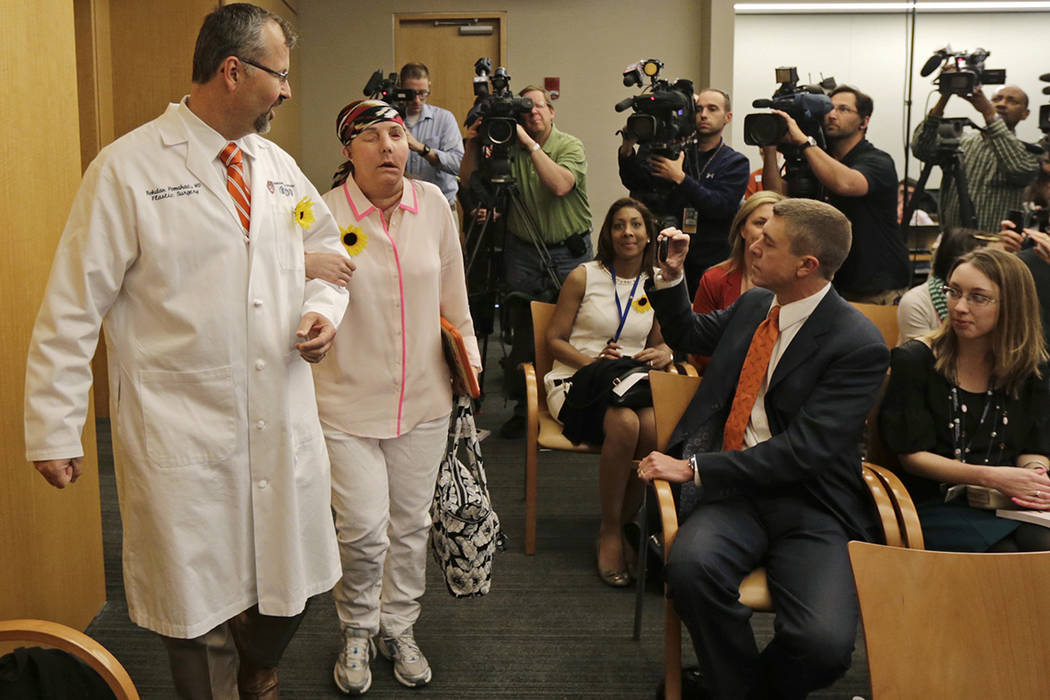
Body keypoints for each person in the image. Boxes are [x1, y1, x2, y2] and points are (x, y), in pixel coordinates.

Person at [23, 4, 350, 698]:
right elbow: (73, 305)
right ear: (233, 72)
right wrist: (54, 425)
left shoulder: (279, 170)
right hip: (182, 427)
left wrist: (323, 311)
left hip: (279, 417)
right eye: (280, 75)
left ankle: (260, 664)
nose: (287, 90)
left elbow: (324, 247)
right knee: (196, 615)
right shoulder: (128, 169)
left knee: (287, 591)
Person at [637, 198, 889, 699]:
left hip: (811, 504)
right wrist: (672, 276)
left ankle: (732, 688)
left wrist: (696, 468)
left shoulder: (858, 342)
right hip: (735, 497)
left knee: (822, 645)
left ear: (806, 266)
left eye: (768, 242)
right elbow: (689, 334)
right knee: (689, 570)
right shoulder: (757, 305)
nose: (751, 245)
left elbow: (804, 453)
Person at [314, 99, 480, 695]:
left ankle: (399, 627)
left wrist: (470, 362)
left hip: (425, 400)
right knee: (362, 529)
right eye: (372, 137)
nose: (388, 147)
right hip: (345, 402)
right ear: (348, 150)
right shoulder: (322, 213)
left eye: (396, 135)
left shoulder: (433, 204)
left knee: (410, 526)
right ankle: (357, 629)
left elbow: (455, 295)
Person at [879, 248, 1050, 553]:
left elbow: (1033, 446)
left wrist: (1034, 477)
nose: (959, 307)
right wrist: (993, 477)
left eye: (977, 297)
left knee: (1041, 542)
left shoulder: (1030, 365)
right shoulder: (916, 360)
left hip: (1005, 500)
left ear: (1012, 305)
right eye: (954, 292)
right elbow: (911, 456)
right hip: (935, 500)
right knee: (1007, 553)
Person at [544, 197, 673, 586]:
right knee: (624, 425)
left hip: (630, 384)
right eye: (619, 225)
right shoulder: (584, 276)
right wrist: (592, 364)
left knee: (651, 427)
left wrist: (665, 353)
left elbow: (662, 343)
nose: (627, 233)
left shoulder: (657, 283)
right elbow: (554, 340)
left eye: (636, 225)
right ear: (608, 233)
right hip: (576, 380)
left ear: (648, 235)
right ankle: (612, 531)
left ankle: (624, 519)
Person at [460, 84, 592, 438]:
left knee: (575, 328)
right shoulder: (506, 147)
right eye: (525, 108)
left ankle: (577, 404)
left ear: (551, 111)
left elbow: (560, 185)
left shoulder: (569, 146)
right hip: (523, 250)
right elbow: (469, 181)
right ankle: (525, 408)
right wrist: (473, 144)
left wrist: (530, 145)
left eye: (538, 106)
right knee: (525, 329)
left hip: (568, 251)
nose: (532, 112)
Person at [762, 85, 910, 304]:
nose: (832, 115)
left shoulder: (878, 160)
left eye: (843, 109)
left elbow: (845, 183)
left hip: (876, 284)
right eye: (829, 109)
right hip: (831, 282)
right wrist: (770, 147)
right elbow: (776, 195)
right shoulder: (816, 157)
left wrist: (804, 142)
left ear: (864, 122)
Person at [618, 88, 750, 298]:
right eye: (698, 109)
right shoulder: (674, 153)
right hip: (666, 253)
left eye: (712, 109)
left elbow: (721, 207)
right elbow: (638, 183)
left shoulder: (735, 162)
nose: (703, 115)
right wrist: (627, 148)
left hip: (709, 259)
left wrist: (680, 178)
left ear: (728, 117)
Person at [912, 82, 1040, 234]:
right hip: (954, 241)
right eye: (996, 99)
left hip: (996, 243)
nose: (1002, 104)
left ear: (1025, 114)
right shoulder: (961, 142)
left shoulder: (1028, 152)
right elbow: (922, 149)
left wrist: (989, 113)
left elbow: (1018, 170)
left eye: (1012, 101)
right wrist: (944, 96)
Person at [690, 190, 786, 372]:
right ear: (742, 229)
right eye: (760, 223)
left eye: (774, 225)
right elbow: (698, 347)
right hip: (721, 377)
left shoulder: (790, 283)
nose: (767, 231)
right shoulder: (715, 279)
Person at [897, 227, 984, 344]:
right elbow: (922, 354)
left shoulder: (991, 296)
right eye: (954, 293)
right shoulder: (916, 301)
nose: (960, 308)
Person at [399, 62, 464, 208]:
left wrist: (421, 148)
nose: (417, 100)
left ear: (429, 87)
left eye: (422, 93)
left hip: (441, 206)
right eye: (411, 94)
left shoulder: (444, 119)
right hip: (404, 206)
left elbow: (459, 164)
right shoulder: (392, 119)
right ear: (401, 89)